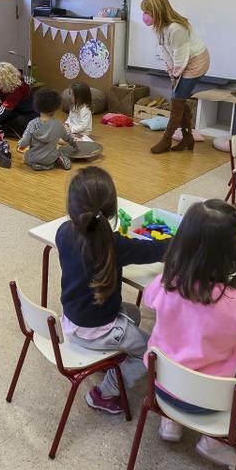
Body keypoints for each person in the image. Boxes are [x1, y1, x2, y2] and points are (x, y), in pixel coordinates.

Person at [142, 199, 236, 470]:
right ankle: (214, 442)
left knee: (176, 355)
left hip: (160, 387)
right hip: (207, 402)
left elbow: (149, 299)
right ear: (234, 255)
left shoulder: (168, 283)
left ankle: (170, 421)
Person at [56, 167, 170, 415]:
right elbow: (152, 251)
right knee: (152, 354)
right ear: (110, 208)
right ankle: (103, 393)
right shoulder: (112, 244)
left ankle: (109, 359)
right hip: (96, 329)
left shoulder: (63, 233)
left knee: (133, 313)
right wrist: (182, 241)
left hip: (71, 322)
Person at [141, 0, 210, 153]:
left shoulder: (176, 28)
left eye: (147, 12)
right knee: (179, 98)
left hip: (196, 61)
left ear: (157, 12)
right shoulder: (159, 27)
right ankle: (187, 137)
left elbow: (181, 53)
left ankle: (166, 140)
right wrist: (171, 73)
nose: (144, 16)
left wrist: (177, 73)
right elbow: (165, 51)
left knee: (176, 100)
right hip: (183, 61)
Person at [19, 88, 79, 171]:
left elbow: (24, 143)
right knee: (56, 151)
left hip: (34, 157)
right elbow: (68, 138)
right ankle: (55, 160)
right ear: (55, 108)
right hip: (50, 158)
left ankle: (37, 165)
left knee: (27, 156)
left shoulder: (32, 124)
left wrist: (20, 144)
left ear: (37, 106)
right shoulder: (58, 125)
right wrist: (75, 145)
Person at [0, 62, 36, 138]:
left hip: (27, 116)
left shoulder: (16, 90)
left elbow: (2, 113)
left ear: (4, 79)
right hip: (15, 109)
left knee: (4, 116)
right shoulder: (4, 84)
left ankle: (12, 131)